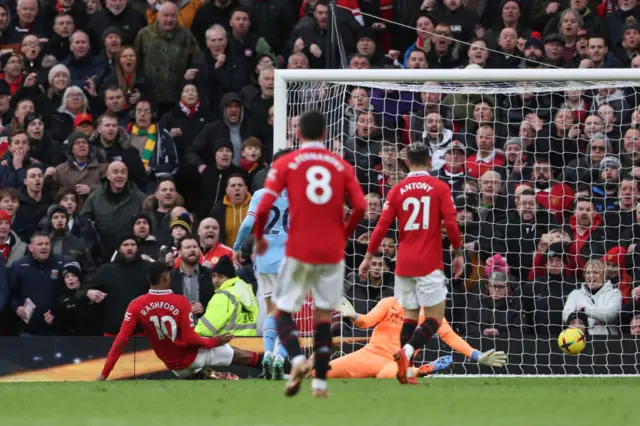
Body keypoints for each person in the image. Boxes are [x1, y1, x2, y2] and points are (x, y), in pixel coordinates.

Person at [253, 110, 366, 398]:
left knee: (279, 309)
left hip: (300, 247)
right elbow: (361, 208)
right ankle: (319, 384)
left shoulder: (287, 162)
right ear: (325, 134)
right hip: (331, 249)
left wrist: (259, 238)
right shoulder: (340, 164)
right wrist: (343, 233)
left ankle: (298, 360)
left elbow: (265, 205)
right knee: (324, 316)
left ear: (299, 134)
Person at [358, 142, 463, 385]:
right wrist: (458, 253)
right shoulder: (439, 186)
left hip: (403, 263)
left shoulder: (397, 190)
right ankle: (405, 354)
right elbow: (451, 223)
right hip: (429, 262)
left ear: (406, 162)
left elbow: (381, 227)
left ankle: (405, 369)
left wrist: (367, 258)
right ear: (429, 162)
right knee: (435, 318)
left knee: (410, 317)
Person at [97, 261, 263, 380]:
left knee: (193, 372)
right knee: (244, 356)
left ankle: (203, 374)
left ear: (149, 280)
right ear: (166, 278)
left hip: (173, 366)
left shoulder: (136, 305)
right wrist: (215, 341)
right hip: (193, 357)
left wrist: (104, 373)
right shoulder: (181, 301)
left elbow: (121, 340)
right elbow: (190, 339)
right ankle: (279, 371)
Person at [326, 296, 507, 379]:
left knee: (388, 375)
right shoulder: (390, 303)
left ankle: (425, 369)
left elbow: (451, 338)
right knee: (319, 372)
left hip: (397, 362)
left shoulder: (432, 315)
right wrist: (354, 315)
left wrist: (478, 356)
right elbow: (366, 322)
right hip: (369, 355)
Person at [232, 148, 294, 380]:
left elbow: (248, 225)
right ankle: (279, 356)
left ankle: (267, 354)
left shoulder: (260, 194)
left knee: (272, 310)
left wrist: (238, 246)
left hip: (265, 260)